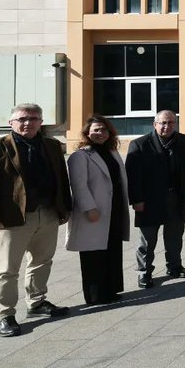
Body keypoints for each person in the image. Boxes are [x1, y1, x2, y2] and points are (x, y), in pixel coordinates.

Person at [0, 103, 71, 337]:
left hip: (47, 214)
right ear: (11, 122)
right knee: (7, 270)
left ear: (41, 122)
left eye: (34, 118)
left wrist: (64, 209)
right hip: (12, 219)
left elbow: (61, 178)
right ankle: (4, 314)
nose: (27, 123)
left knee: (42, 261)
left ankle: (36, 303)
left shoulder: (52, 146)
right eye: (22, 119)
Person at [127, 111, 185, 287]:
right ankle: (144, 272)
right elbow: (133, 176)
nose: (167, 127)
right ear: (155, 124)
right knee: (148, 239)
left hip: (176, 197)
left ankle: (174, 266)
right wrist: (136, 200)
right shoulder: (140, 144)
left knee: (174, 235)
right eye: (163, 123)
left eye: (171, 123)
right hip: (149, 200)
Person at [64, 116, 130, 306]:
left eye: (103, 130)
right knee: (93, 254)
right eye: (95, 130)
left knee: (111, 250)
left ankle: (110, 289)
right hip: (94, 211)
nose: (99, 133)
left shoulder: (112, 152)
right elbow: (78, 185)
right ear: (87, 133)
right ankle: (95, 295)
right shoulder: (80, 156)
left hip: (114, 209)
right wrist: (89, 208)